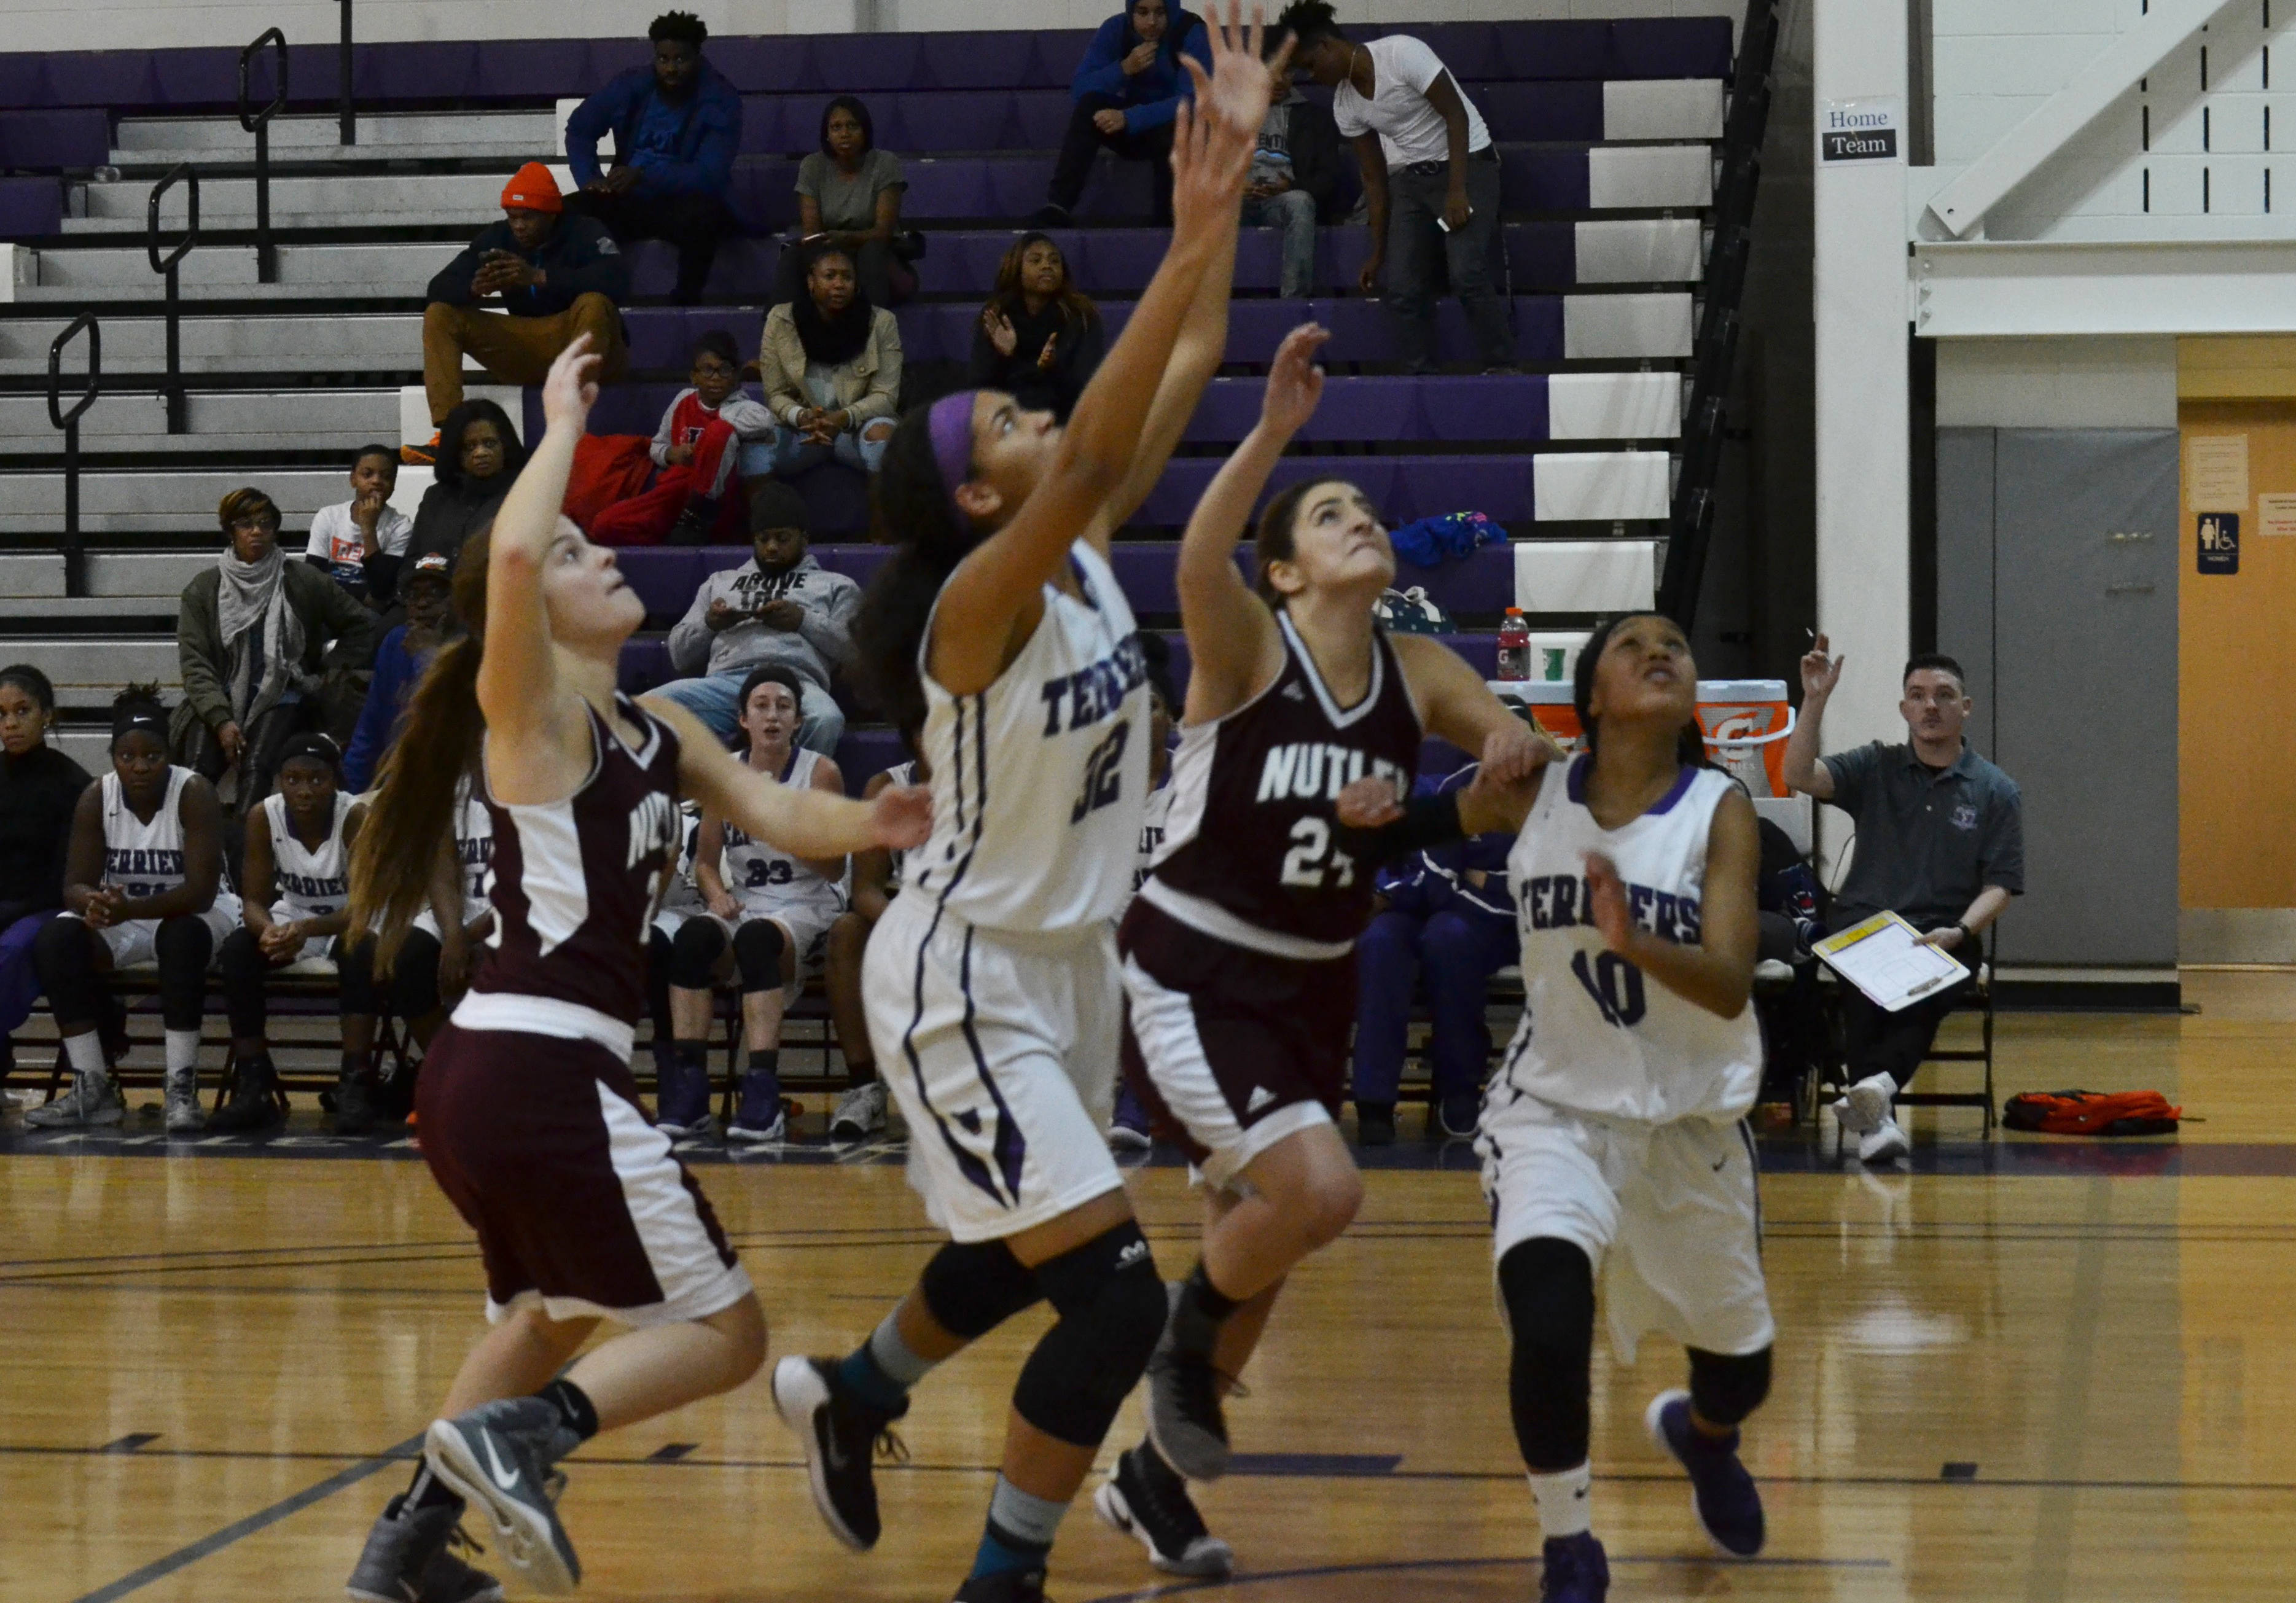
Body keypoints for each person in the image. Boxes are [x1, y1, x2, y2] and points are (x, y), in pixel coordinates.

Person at [767, 20, 1277, 1601]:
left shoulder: (1083, 548)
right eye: (1004, 421)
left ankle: (857, 1393)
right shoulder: (971, 612)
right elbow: (1097, 444)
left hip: (1068, 965)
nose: (1032, 413)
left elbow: (1188, 357)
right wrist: (1183, 231)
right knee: (1115, 1299)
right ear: (978, 497)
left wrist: (1223, 189)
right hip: (966, 969)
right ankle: (1005, 1575)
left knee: (1017, 1237)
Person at [339, 334, 927, 1603]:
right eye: (576, 554)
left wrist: (877, 821)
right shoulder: (535, 715)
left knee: (547, 1317)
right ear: (533, 610)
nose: (600, 556)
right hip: (537, 1063)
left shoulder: (657, 728)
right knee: (726, 1333)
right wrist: (559, 424)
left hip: (501, 1073)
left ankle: (404, 1548)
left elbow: (779, 813)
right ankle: (527, 1440)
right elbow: (506, 555)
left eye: (589, 546)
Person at [1100, 324, 1549, 1577]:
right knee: (1321, 1195)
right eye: (1329, 514)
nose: (1360, 520)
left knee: (1268, 1237)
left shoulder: (1419, 668)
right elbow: (1197, 555)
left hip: (1308, 985)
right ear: (1286, 573)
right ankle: (1176, 1357)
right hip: (1191, 969)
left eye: (1366, 509)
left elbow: (1505, 773)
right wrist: (1271, 433)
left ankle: (1151, 1480)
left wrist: (1509, 754)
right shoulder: (1249, 645)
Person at [1456, 611, 1775, 1603]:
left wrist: (1633, 938)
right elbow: (1427, 810)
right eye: (1633, 645)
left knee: (1740, 1373)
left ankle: (1704, 1436)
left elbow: (1728, 982)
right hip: (1552, 1108)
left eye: (1674, 643)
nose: (1660, 653)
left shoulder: (1719, 809)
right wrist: (1393, 797)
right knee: (1549, 1322)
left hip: (1687, 1124)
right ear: (1591, 695)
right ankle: (1569, 1545)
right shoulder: (1537, 791)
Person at [1783, 639, 2024, 1166]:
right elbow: (1798, 775)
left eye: (1944, 695)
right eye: (1917, 695)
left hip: (1944, 930)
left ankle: (1874, 1101)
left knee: (1928, 984)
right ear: (1904, 708)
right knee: (1866, 985)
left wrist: (1960, 930)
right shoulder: (1876, 765)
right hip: (1863, 922)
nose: (1930, 705)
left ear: (1966, 707)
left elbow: (2000, 885)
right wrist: (1815, 700)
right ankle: (1879, 1102)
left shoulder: (1995, 790)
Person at [28, 688, 241, 1134]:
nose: (140, 766)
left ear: (170, 756)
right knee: (56, 939)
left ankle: (181, 1087)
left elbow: (200, 893)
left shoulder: (194, 792)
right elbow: (73, 885)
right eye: (128, 757)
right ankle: (93, 1086)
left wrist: (129, 909)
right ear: (114, 758)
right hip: (128, 915)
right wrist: (94, 903)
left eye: (152, 756)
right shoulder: (97, 796)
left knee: (180, 937)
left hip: (198, 914)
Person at [659, 666, 850, 1142]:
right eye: (761, 706)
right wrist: (716, 895)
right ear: (744, 719)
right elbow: (706, 862)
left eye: (784, 707)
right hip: (747, 904)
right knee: (692, 938)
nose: (773, 715)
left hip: (807, 904)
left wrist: (777, 825)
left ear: (798, 721)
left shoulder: (820, 773)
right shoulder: (725, 775)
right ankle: (691, 1090)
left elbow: (834, 869)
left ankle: (762, 1090)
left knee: (757, 940)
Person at [1275, 1, 1517, 373]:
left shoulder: (1402, 53)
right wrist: (1378, 251)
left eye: (1311, 65)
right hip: (1411, 180)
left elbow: (1456, 114)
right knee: (1402, 288)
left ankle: (1503, 366)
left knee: (1466, 273)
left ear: (1326, 45)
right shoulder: (1345, 105)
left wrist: (1457, 191)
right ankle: (1422, 377)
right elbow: (1374, 178)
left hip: (1469, 164)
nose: (1312, 76)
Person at [175, 488, 374, 812]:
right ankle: (188, 838)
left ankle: (244, 836)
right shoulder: (203, 589)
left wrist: (329, 672)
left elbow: (363, 625)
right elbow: (196, 665)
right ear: (230, 531)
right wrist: (221, 720)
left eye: (265, 524)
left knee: (257, 766)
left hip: (284, 693)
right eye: (246, 524)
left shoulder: (303, 580)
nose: (257, 531)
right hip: (219, 696)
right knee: (196, 768)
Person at [1350, 760, 1517, 1145]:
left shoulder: (1540, 766)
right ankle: (1373, 1102)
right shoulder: (1414, 768)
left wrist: (1487, 884)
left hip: (1483, 915)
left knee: (1448, 937)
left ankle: (1457, 1092)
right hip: (1420, 895)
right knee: (1380, 942)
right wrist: (1383, 891)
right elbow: (1431, 868)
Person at [416, 162, 631, 454]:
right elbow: (437, 288)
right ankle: (450, 434)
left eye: (528, 217)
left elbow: (618, 281)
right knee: (440, 314)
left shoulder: (585, 230)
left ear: (551, 213)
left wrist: (541, 277)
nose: (518, 226)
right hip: (528, 345)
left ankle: (572, 421)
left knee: (594, 303)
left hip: (586, 349)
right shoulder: (497, 237)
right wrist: (473, 288)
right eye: (512, 217)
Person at [211, 734, 363, 1132]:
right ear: (280, 781)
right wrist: (268, 932)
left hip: (348, 920)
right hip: (296, 915)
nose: (304, 790)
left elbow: (366, 907)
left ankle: (355, 1081)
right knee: (238, 951)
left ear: (335, 781)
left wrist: (306, 929)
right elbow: (252, 902)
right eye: (293, 780)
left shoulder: (355, 817)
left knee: (361, 952)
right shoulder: (264, 815)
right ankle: (254, 1083)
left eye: (316, 779)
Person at [334, 773, 494, 1136]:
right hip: (453, 916)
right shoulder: (443, 797)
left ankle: (487, 1084)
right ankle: (447, 1079)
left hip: (512, 918)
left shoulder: (529, 797)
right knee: (403, 956)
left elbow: (525, 890)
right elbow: (441, 876)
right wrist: (455, 937)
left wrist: (468, 939)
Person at [654, 482, 857, 755]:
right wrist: (710, 624)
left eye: (782, 539)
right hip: (728, 684)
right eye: (764, 539)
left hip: (797, 684)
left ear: (804, 539)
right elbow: (679, 655)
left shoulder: (836, 585)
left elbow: (853, 651)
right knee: (648, 708)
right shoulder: (720, 582)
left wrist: (803, 620)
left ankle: (796, 783)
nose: (772, 547)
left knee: (826, 719)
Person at [563, 10, 742, 307]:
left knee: (706, 217)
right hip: (630, 199)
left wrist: (643, 175)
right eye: (663, 59)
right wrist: (590, 179)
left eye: (680, 59)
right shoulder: (632, 84)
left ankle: (685, 304)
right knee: (565, 211)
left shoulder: (721, 98)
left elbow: (709, 175)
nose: (671, 68)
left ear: (698, 56)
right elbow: (580, 128)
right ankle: (585, 298)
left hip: (682, 204)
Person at [818, 725, 926, 1146]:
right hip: (901, 912)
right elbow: (864, 889)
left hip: (968, 914)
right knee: (846, 934)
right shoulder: (885, 787)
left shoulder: (986, 784)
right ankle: (864, 1087)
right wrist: (909, 928)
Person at [589, 332, 776, 549]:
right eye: (707, 370)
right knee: (603, 525)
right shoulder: (683, 399)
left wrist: (710, 435)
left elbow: (767, 421)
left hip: (716, 504)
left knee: (719, 430)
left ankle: (699, 516)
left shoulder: (744, 408)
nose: (716, 378)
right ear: (694, 376)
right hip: (672, 495)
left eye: (724, 370)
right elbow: (657, 446)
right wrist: (671, 454)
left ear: (735, 377)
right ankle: (675, 542)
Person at [1038, 0, 1213, 227]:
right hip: (1133, 127)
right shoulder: (1116, 29)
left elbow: (1194, 101)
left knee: (1180, 127)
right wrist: (1124, 69)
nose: (1152, 22)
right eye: (1143, 12)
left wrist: (1130, 118)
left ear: (1171, 10)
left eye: (1160, 12)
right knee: (1090, 106)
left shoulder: (1192, 32)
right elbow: (1080, 89)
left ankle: (1168, 222)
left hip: (1172, 130)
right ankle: (1058, 206)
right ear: (1131, 11)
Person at [1106, 632, 1178, 1153]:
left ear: (1170, 718)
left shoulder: (1194, 782)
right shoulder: (1094, 784)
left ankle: (1134, 1102)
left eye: (1150, 704)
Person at [0, 666, 92, 1076]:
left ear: (47, 715)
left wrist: (10, 911)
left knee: (10, 952)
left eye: (22, 711)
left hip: (49, 909)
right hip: (5, 906)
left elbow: (68, 876)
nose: (10, 724)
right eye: (1, 714)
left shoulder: (73, 784)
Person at [755, 245, 902, 479]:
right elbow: (775, 394)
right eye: (830, 276)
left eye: (847, 277)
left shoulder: (882, 322)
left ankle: (881, 504)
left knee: (882, 435)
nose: (839, 284)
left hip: (854, 429)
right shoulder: (781, 320)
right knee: (756, 442)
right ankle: (765, 503)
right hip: (804, 430)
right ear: (811, 282)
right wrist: (802, 416)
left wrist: (843, 417)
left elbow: (885, 396)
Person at [374, 401, 529, 607]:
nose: (481, 453)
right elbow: (411, 563)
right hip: (425, 604)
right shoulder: (435, 497)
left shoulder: (526, 496)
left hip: (492, 608)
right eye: (469, 447)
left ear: (506, 447)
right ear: (454, 452)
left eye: (490, 443)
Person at [778, 95, 910, 310]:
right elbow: (812, 232)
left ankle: (874, 324)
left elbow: (883, 232)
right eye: (836, 127)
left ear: (865, 131)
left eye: (853, 126)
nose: (845, 134)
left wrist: (847, 238)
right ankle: (779, 325)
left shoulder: (885, 163)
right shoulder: (812, 166)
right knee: (792, 256)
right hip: (829, 250)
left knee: (871, 252)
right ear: (827, 134)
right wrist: (834, 249)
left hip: (878, 253)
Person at [343, 553, 456, 794]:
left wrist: (427, 655)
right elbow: (371, 727)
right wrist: (351, 795)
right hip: (396, 779)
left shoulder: (473, 645)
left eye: (435, 593)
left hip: (453, 783)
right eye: (413, 595)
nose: (423, 604)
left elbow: (448, 725)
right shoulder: (396, 642)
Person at [969, 233, 1106, 423]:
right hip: (1010, 423)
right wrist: (1004, 356)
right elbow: (980, 390)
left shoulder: (1082, 316)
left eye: (1054, 261)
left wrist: (1053, 369)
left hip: (1063, 421)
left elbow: (1089, 389)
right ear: (1017, 269)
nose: (1047, 266)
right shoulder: (997, 317)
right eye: (1036, 260)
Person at [1243, 64, 1348, 300]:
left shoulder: (1314, 117)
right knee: (1211, 207)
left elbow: (1328, 177)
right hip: (1236, 202)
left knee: (1300, 202)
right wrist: (1233, 188)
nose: (1280, 80)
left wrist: (1291, 186)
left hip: (1283, 200)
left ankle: (1294, 301)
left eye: (1287, 72)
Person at [302, 445, 410, 601]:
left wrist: (369, 529)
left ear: (394, 484)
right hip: (329, 604)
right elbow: (313, 576)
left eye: (386, 477)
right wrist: (360, 596)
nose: (376, 481)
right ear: (353, 479)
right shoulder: (328, 516)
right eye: (367, 474)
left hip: (371, 610)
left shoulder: (401, 526)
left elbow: (382, 591)